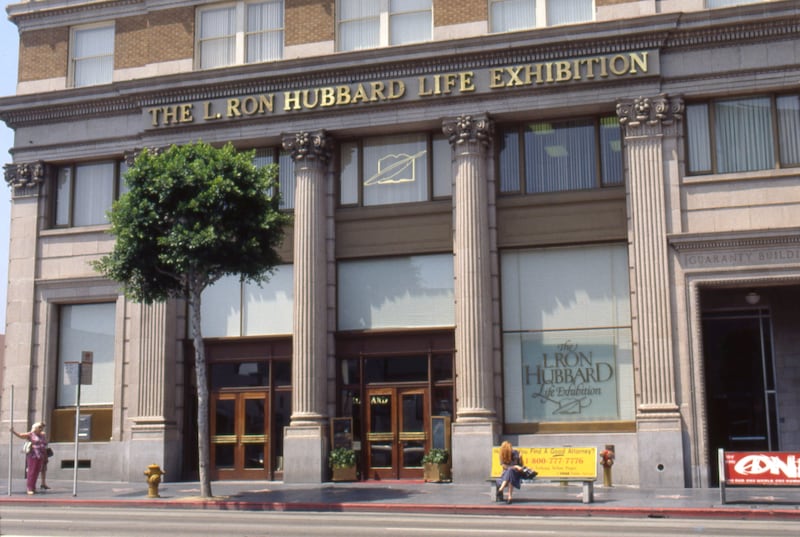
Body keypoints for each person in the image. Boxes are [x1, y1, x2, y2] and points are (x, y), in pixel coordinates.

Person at [11, 422, 48, 495]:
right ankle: (29, 488)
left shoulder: (42, 435)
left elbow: (44, 444)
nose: (41, 429)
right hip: (33, 455)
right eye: (39, 427)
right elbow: (21, 435)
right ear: (36, 428)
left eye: (41, 427)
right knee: (31, 472)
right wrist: (13, 431)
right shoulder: (30, 434)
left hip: (40, 455)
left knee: (37, 472)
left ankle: (33, 487)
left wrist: (45, 455)